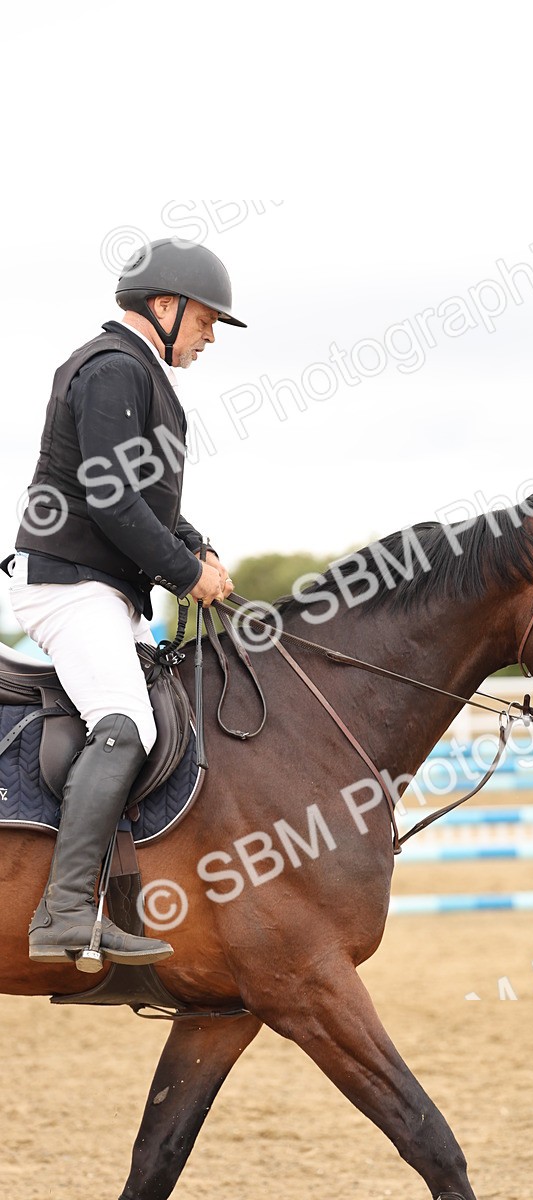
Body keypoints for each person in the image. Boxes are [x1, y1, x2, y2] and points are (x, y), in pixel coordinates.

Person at [7, 237, 245, 971]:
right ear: (166, 306)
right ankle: (67, 910)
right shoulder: (114, 369)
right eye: (206, 321)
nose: (210, 338)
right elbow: (111, 498)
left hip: (99, 586)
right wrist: (182, 573)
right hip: (69, 583)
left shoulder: (137, 373)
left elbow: (146, 500)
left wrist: (198, 550)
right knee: (126, 721)